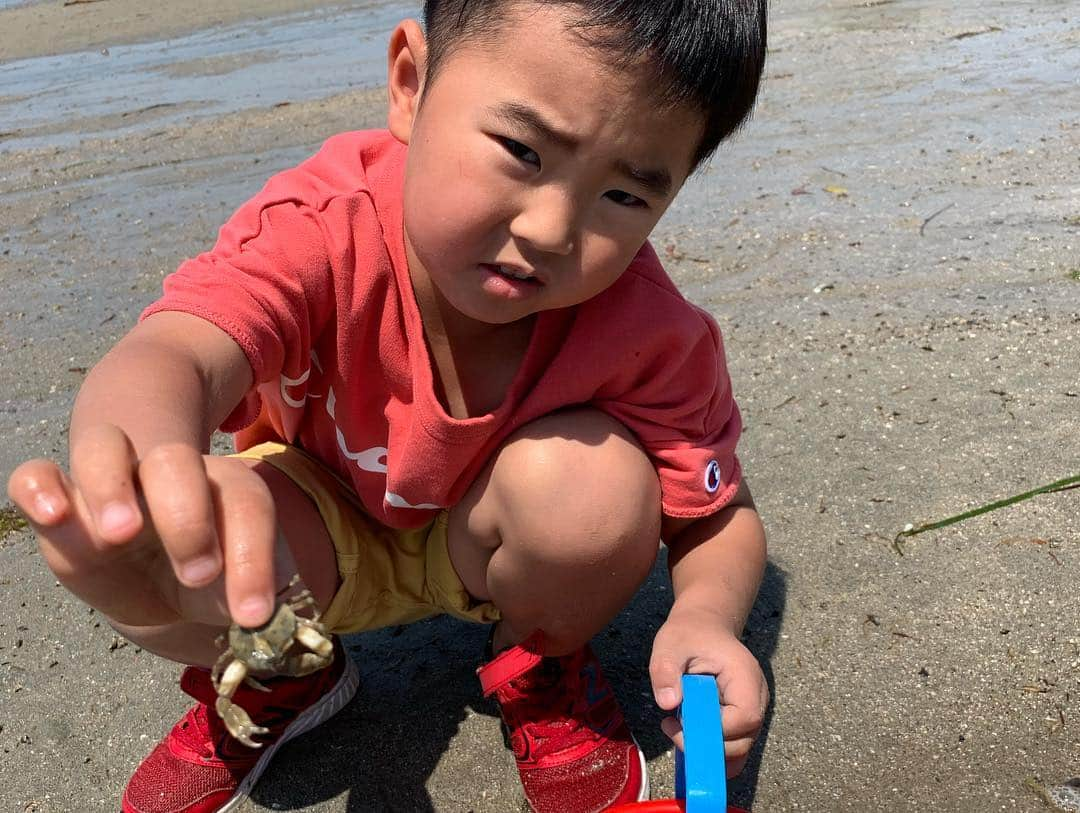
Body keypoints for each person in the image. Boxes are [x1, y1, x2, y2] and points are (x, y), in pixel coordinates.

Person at [6, 1, 770, 811]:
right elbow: (181, 352)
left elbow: (718, 517)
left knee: (592, 492)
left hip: (501, 534)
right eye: (521, 150)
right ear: (411, 82)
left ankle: (541, 656)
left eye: (623, 195)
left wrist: (707, 616)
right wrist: (143, 471)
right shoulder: (321, 227)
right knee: (173, 545)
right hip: (319, 518)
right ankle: (283, 672)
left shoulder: (649, 329)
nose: (551, 229)